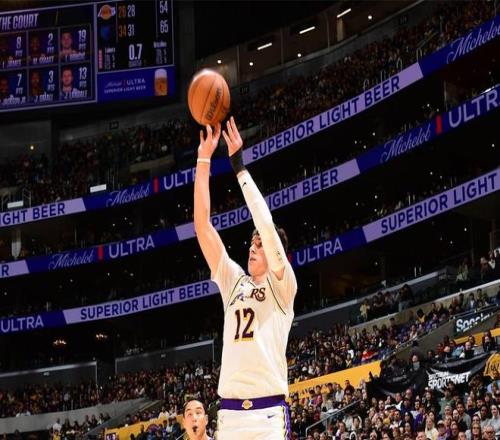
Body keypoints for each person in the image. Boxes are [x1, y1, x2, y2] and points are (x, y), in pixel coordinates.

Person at [194, 117, 297, 439]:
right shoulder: (234, 281)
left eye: (260, 244)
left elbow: (265, 224)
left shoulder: (283, 285)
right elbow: (202, 226)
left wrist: (239, 167)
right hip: (230, 415)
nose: (253, 247)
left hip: (268, 415)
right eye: (251, 243)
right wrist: (203, 161)